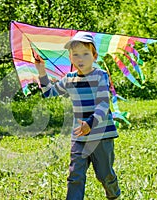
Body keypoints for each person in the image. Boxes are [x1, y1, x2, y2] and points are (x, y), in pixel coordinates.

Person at [34, 32, 121, 200]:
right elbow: (48, 92)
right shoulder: (69, 80)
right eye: (75, 54)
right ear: (70, 58)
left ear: (94, 56)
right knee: (75, 176)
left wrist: (90, 123)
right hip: (79, 136)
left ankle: (114, 195)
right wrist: (41, 71)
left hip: (101, 135)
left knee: (104, 175)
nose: (80, 58)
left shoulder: (100, 76)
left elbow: (103, 105)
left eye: (85, 54)